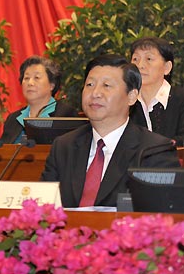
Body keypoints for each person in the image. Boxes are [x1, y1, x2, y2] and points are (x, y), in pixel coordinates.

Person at [41, 54, 180, 208]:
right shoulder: (63, 146)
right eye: (90, 85)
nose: (95, 93)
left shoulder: (154, 151)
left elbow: (164, 218)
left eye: (106, 85)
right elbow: (44, 208)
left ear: (132, 96)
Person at [0, 56, 78, 143]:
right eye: (26, 78)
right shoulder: (13, 119)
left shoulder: (65, 115)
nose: (30, 83)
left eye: (36, 78)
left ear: (52, 85)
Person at [129, 36, 184, 146]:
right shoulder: (125, 103)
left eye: (149, 59)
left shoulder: (181, 99)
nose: (140, 65)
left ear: (167, 67)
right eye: (135, 59)